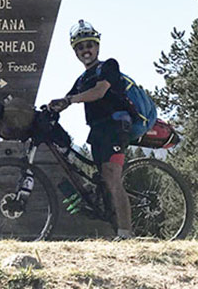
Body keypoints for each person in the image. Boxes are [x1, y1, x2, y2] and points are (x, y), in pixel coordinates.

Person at [49, 20, 134, 240]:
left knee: (112, 177)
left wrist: (70, 99)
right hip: (97, 132)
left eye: (89, 45)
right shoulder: (81, 79)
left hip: (116, 127)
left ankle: (126, 233)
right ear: (75, 52)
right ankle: (115, 229)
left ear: (97, 47)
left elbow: (99, 92)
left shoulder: (108, 66)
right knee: (104, 179)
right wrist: (50, 109)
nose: (85, 50)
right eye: (80, 47)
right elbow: (65, 102)